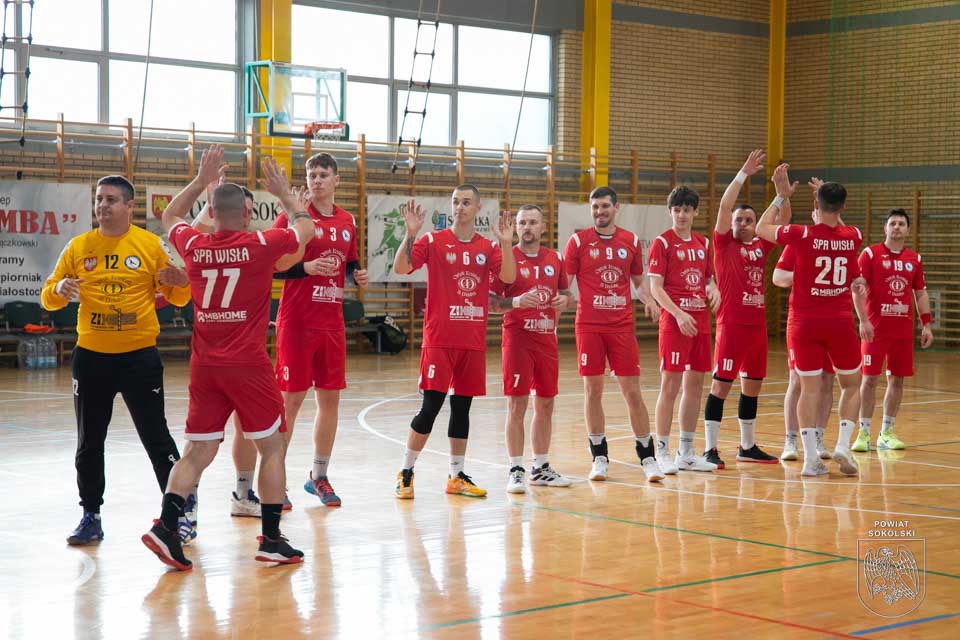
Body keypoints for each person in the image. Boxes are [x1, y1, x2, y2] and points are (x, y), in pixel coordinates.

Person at [141, 146, 313, 570]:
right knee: (272, 446)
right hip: (248, 364)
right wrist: (285, 195)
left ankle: (167, 526)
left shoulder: (195, 245)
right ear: (247, 213)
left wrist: (200, 181)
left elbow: (170, 215)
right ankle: (271, 539)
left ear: (212, 212)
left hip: (205, 365)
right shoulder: (260, 243)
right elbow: (305, 229)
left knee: (197, 451)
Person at [41, 174, 191, 546]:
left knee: (156, 438)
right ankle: (90, 515)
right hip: (92, 358)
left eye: (110, 199)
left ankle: (181, 513)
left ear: (129, 206)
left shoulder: (149, 245)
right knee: (89, 441)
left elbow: (179, 297)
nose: (102, 206)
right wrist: (59, 288)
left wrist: (180, 281)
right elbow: (48, 297)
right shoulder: (79, 246)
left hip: (139, 358)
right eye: (99, 199)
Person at [392, 184, 516, 499]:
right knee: (430, 407)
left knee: (462, 410)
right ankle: (406, 471)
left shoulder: (488, 247)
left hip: (471, 342)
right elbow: (401, 267)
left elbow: (509, 278)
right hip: (439, 340)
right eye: (455, 202)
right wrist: (410, 234)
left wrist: (506, 243)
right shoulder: (433, 241)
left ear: (478, 208)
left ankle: (456, 475)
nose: (459, 207)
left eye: (466, 202)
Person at [755, 165, 867, 477]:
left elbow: (762, 228)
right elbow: (841, 232)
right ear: (843, 207)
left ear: (816, 204)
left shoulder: (801, 235)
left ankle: (810, 459)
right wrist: (826, 202)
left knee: (808, 389)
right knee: (851, 385)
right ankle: (842, 444)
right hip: (840, 323)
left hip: (804, 323)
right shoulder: (853, 236)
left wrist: (780, 197)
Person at [272, 152, 368, 509]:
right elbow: (273, 266)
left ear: (336, 180)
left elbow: (349, 263)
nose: (316, 180)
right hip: (297, 322)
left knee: (330, 401)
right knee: (290, 402)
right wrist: (306, 267)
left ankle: (319, 475)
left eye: (323, 174)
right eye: (311, 174)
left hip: (331, 323)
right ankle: (275, 480)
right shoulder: (294, 214)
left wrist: (356, 275)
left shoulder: (347, 220)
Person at [563, 186, 664, 483]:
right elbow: (564, 283)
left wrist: (649, 300)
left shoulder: (630, 241)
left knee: (632, 392)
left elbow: (638, 282)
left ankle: (647, 457)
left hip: (621, 326)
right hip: (589, 326)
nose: (599, 211)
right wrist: (559, 301)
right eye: (595, 207)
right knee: (592, 391)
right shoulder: (578, 241)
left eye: (605, 206)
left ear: (616, 208)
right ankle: (599, 457)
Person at [489, 204, 573, 493]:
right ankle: (516, 469)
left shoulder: (555, 258)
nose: (527, 227)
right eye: (522, 222)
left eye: (533, 222)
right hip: (518, 340)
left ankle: (541, 467)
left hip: (547, 340)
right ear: (516, 227)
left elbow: (567, 294)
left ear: (543, 227)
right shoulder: (506, 258)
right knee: (517, 405)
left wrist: (565, 300)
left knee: (546, 404)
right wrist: (516, 302)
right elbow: (492, 302)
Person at [704, 150, 780, 468]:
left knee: (752, 387)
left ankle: (746, 447)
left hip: (756, 328)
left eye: (749, 220)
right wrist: (743, 174)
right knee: (721, 386)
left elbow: (780, 222)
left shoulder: (761, 245)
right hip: (731, 327)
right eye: (739, 220)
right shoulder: (723, 244)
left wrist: (781, 195)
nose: (744, 224)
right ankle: (710, 449)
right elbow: (724, 206)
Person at [647, 185, 720, 474]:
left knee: (695, 386)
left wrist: (713, 288)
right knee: (670, 386)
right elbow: (656, 288)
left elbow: (707, 279)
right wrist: (677, 314)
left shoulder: (703, 243)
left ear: (695, 212)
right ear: (670, 212)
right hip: (676, 324)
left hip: (700, 323)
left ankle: (686, 452)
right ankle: (662, 451)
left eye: (686, 210)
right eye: (677, 210)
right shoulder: (662, 243)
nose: (681, 215)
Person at [853, 209, 934, 451]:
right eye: (892, 223)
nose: (896, 227)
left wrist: (926, 324)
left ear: (908, 230)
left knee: (897, 380)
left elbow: (920, 293)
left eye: (901, 224)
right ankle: (863, 433)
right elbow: (857, 289)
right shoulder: (870, 254)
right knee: (869, 379)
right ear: (885, 228)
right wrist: (863, 320)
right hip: (875, 331)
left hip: (902, 333)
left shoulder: (914, 259)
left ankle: (886, 432)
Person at [773, 240, 836, 462]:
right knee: (797, 380)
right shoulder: (800, 241)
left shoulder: (841, 242)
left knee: (827, 380)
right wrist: (804, 275)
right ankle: (790, 440)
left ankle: (819, 437)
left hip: (832, 319)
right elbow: (778, 277)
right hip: (802, 320)